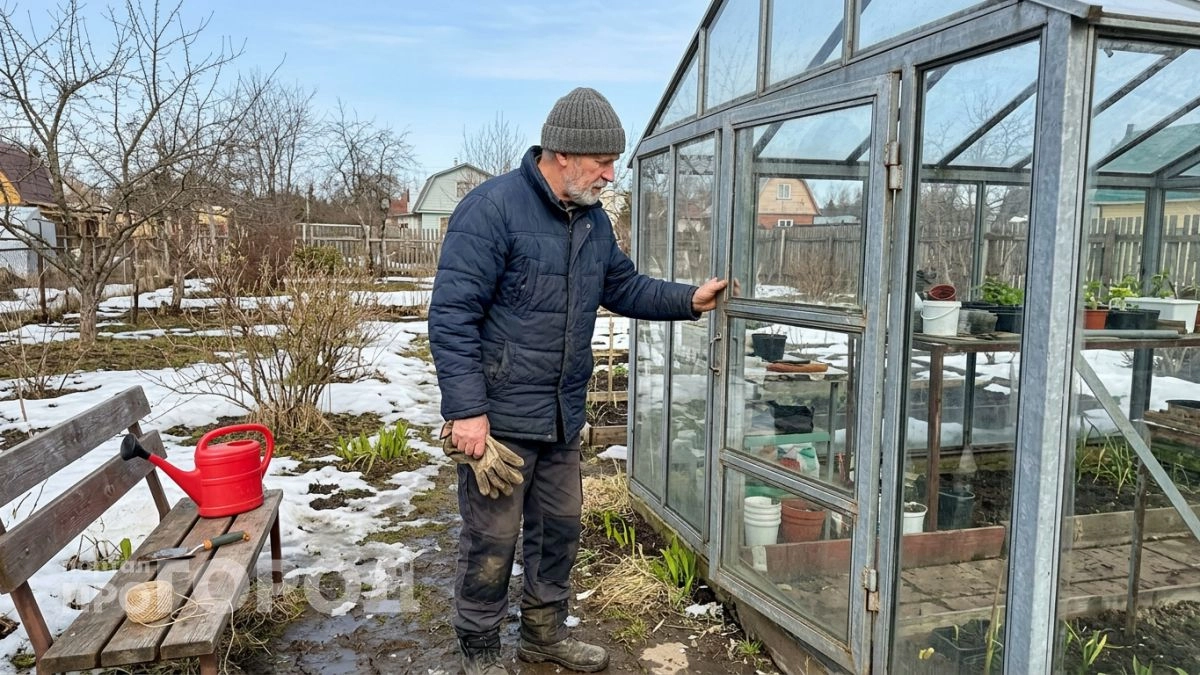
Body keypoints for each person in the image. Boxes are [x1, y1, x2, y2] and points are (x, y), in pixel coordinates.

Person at [429, 86, 727, 675]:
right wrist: (467, 412)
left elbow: (623, 287)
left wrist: (689, 299)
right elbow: (452, 315)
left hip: (561, 417)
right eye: (603, 163)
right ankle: (481, 649)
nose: (612, 175)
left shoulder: (591, 222)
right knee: (492, 541)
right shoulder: (491, 210)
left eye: (614, 163)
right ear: (563, 154)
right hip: (499, 421)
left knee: (559, 532)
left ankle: (543, 636)